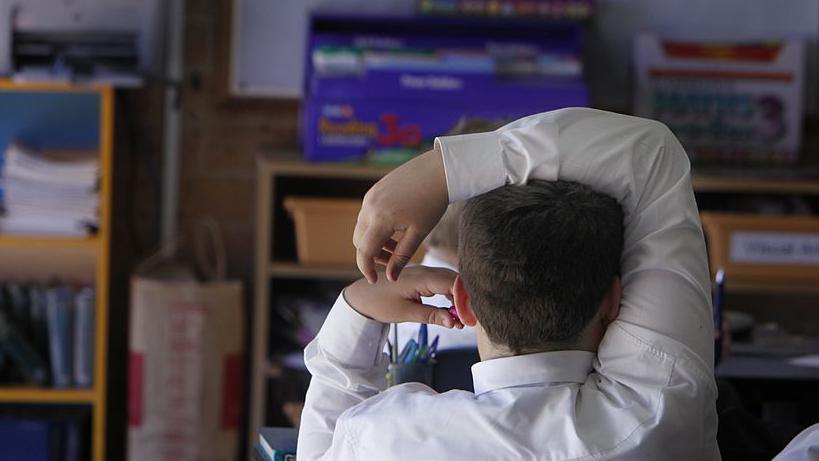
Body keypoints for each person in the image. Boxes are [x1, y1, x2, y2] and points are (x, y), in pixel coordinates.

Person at [298, 108, 719, 460]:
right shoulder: (660, 414)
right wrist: (442, 173)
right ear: (614, 299)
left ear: (462, 301)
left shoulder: (383, 438)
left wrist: (354, 312)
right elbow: (652, 154)